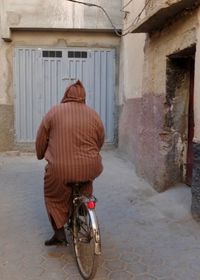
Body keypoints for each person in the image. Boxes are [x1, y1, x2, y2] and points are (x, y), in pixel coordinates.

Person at [35, 80, 105, 246]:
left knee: (53, 195)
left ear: (66, 95)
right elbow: (100, 140)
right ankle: (82, 206)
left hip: (61, 168)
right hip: (91, 166)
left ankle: (59, 234)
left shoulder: (54, 112)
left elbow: (41, 140)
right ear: (83, 97)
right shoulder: (93, 114)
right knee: (85, 182)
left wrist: (40, 154)